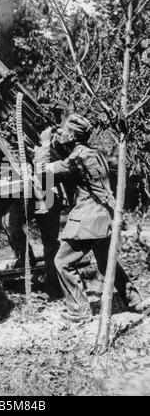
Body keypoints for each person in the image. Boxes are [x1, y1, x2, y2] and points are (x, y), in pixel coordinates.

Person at [36, 113, 150, 322]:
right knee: (107, 262)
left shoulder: (77, 158)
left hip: (88, 219)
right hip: (104, 217)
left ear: (71, 136)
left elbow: (43, 172)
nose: (60, 132)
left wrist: (44, 146)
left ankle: (79, 310)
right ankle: (136, 301)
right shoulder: (93, 153)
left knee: (62, 262)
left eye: (64, 130)